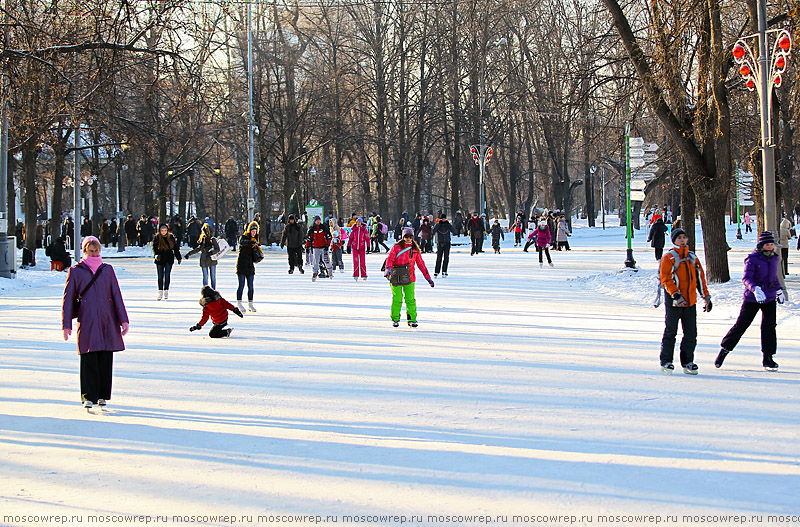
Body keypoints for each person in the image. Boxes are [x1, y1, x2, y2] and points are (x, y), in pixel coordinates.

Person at [61, 236, 130, 408]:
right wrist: (66, 324)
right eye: (91, 251)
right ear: (84, 251)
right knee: (89, 356)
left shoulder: (107, 270)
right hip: (88, 319)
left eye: (97, 250)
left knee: (105, 357)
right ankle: (88, 396)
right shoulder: (76, 271)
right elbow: (68, 298)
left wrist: (123, 319)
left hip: (108, 319)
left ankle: (102, 394)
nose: (94, 253)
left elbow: (116, 295)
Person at [716, 232, 784, 370]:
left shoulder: (775, 259)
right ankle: (725, 349)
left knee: (769, 327)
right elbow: (746, 278)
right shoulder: (753, 259)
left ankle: (768, 357)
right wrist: (755, 289)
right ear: (761, 246)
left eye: (771, 245)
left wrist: (779, 290)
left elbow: (774, 278)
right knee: (742, 325)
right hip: (753, 298)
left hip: (769, 297)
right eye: (767, 245)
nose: (770, 247)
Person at [658, 228, 711, 375]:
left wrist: (706, 297)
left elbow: (700, 278)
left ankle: (688, 361)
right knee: (670, 332)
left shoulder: (692, 257)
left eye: (684, 237)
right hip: (675, 301)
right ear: (674, 240)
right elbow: (666, 278)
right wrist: (675, 294)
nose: (682, 240)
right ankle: (666, 361)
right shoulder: (669, 257)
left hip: (690, 302)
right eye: (679, 238)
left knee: (690, 334)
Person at [384, 227, 434, 328]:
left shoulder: (415, 249)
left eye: (410, 237)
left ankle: (412, 319)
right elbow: (390, 259)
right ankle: (395, 318)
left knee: (410, 299)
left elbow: (421, 264)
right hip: (396, 275)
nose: (408, 239)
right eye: (406, 236)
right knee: (397, 299)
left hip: (410, 277)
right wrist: (388, 269)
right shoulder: (397, 247)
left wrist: (428, 278)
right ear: (403, 237)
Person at [185, 223, 220, 289]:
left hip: (211, 259)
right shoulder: (203, 239)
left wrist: (211, 252)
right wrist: (189, 254)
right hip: (204, 260)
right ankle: (206, 290)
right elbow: (198, 248)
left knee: (212, 276)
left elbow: (217, 249)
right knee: (206, 276)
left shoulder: (212, 239)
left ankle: (213, 290)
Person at [236, 221, 260, 312]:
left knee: (251, 286)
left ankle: (251, 304)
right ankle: (239, 303)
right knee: (241, 285)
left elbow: (255, 256)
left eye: (255, 231)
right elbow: (243, 242)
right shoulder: (244, 237)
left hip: (250, 266)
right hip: (241, 265)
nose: (254, 233)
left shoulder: (255, 240)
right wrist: (251, 243)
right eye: (252, 231)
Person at [153, 224, 182, 300]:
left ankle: (166, 291)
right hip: (160, 258)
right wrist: (156, 255)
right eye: (162, 231)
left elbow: (175, 248)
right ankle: (160, 292)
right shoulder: (157, 238)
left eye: (165, 230)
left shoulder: (171, 237)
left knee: (167, 275)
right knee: (160, 276)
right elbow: (154, 248)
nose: (163, 232)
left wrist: (179, 257)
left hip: (169, 258)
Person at [307, 216, 333, 282]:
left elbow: (329, 236)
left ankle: (330, 270)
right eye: (317, 220)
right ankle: (315, 272)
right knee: (316, 260)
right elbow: (309, 239)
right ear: (315, 221)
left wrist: (327, 244)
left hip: (324, 246)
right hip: (315, 247)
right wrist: (307, 247)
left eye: (319, 220)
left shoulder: (323, 227)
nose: (318, 222)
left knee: (326, 259)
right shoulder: (312, 229)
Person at [431, 213, 456, 277]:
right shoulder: (438, 224)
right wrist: (438, 224)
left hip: (447, 243)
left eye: (444, 218)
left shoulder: (448, 224)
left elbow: (453, 231)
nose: (443, 219)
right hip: (440, 243)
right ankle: (437, 271)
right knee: (439, 257)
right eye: (442, 218)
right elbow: (433, 231)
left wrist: (449, 225)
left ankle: (444, 271)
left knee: (446, 258)